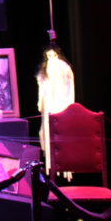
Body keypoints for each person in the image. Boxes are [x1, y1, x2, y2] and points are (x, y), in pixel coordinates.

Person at [36, 44, 75, 172]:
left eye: (53, 55)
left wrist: (69, 103)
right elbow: (42, 85)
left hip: (61, 101)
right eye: (49, 55)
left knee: (62, 131)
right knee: (47, 130)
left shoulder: (63, 67)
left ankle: (65, 164)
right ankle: (50, 164)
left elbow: (70, 86)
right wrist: (40, 101)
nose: (51, 58)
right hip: (49, 103)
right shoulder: (45, 68)